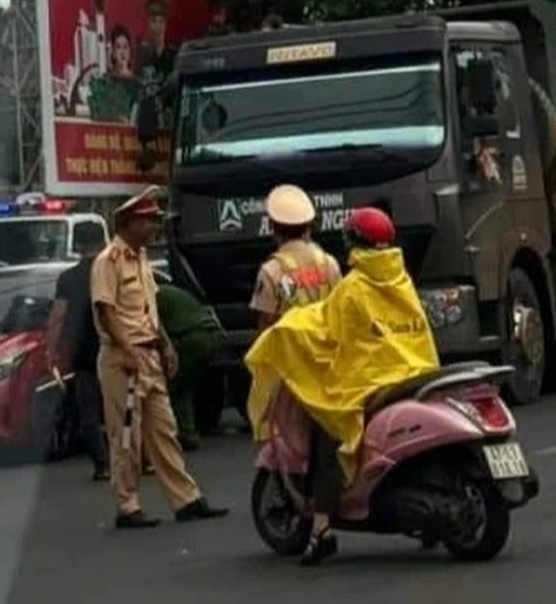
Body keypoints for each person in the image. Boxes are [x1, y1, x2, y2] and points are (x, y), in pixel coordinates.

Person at [245, 207, 439, 566]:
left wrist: (287, 332)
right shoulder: (399, 279)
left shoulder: (351, 285)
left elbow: (327, 329)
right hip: (415, 369)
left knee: (328, 430)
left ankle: (321, 529)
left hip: (370, 379)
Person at [91, 185, 229, 529]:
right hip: (123, 360)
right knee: (126, 437)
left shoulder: (141, 261)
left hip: (148, 355)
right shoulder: (108, 261)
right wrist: (127, 351)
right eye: (148, 220)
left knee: (164, 431)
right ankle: (128, 506)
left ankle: (186, 500)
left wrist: (165, 345)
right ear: (127, 223)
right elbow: (106, 312)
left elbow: (149, 310)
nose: (154, 227)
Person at [46, 248, 110, 481]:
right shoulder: (112, 273)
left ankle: (102, 465)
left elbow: (57, 317)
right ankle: (136, 460)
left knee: (89, 414)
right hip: (114, 348)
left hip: (83, 354)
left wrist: (51, 350)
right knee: (124, 409)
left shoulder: (68, 278)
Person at [249, 184, 342, 334]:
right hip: (327, 352)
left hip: (289, 355)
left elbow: (265, 326)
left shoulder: (271, 271)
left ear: (273, 227)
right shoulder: (329, 263)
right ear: (308, 227)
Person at [157, 282, 225, 450]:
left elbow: (154, 326)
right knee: (186, 384)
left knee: (174, 387)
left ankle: (183, 435)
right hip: (213, 334)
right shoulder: (173, 291)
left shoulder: (151, 296)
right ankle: (189, 432)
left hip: (193, 339)